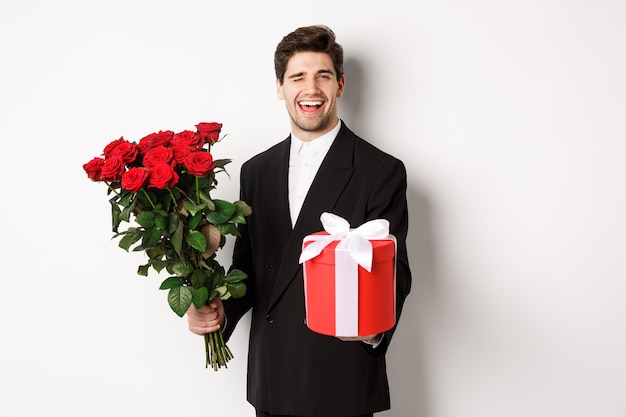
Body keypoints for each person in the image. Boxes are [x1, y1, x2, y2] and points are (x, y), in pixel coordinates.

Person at [187, 25, 412, 417]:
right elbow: (249, 267)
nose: (311, 89)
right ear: (280, 87)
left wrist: (371, 331)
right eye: (298, 77)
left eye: (323, 76)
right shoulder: (256, 171)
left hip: (341, 378)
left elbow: (396, 274)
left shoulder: (380, 170)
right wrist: (219, 311)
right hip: (272, 380)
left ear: (340, 85)